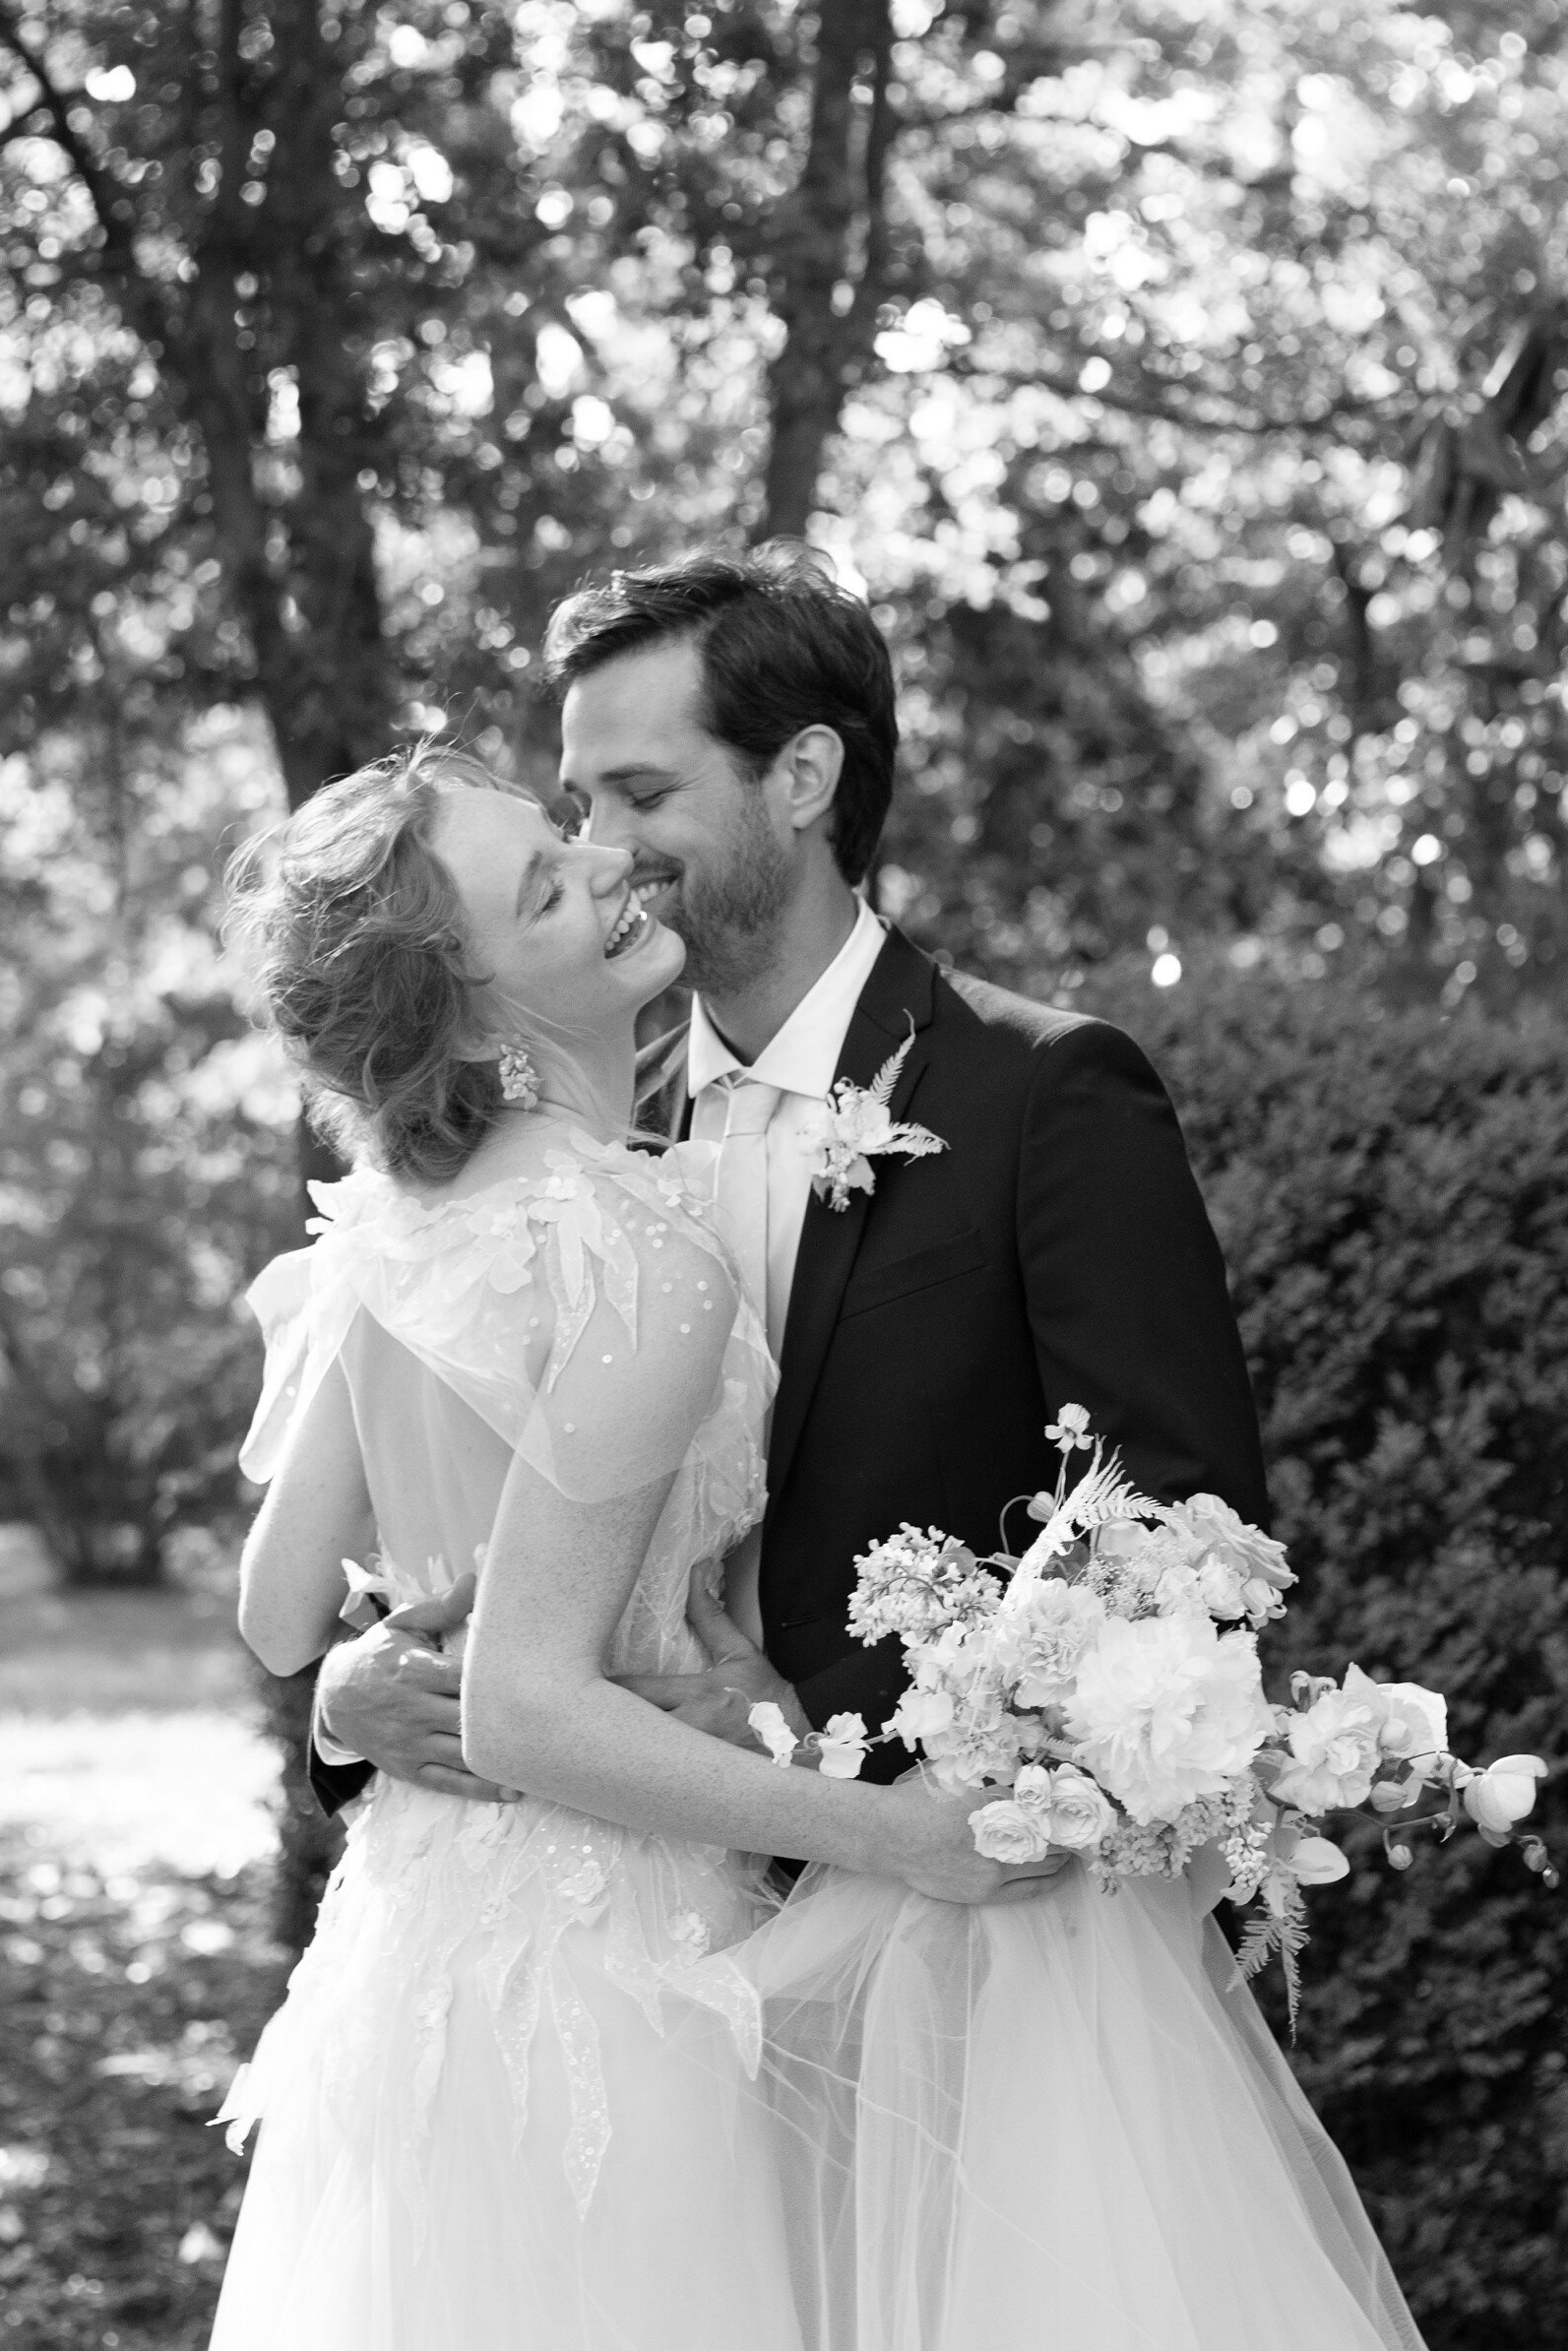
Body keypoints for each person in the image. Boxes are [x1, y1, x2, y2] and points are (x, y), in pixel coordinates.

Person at [208, 750, 1060, 2351]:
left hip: (406, 1964)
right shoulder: (631, 1253)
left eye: (567, 839)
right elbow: (523, 1707)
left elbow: (274, 1612)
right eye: (546, 884)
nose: (608, 865)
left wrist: (355, 1681)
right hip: (608, 1976)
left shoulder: (396, 1231)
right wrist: (892, 1835)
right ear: (469, 1014)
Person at [311, 545, 1270, 1802]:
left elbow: (1180, 1547)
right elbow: (458, 1527)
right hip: (636, 1929)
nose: (603, 850)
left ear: (804, 776)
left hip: (935, 1911)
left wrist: (822, 1731)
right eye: (578, 805)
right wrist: (347, 1703)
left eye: (642, 794)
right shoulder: (563, 1153)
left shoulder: (1044, 1095)